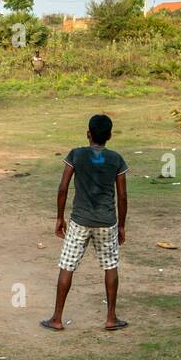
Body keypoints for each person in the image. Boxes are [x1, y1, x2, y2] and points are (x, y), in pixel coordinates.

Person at [42, 114, 129, 331]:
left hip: (79, 221)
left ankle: (57, 318)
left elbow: (63, 188)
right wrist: (121, 225)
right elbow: (123, 196)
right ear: (109, 136)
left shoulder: (76, 155)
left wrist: (59, 217)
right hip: (106, 222)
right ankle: (110, 318)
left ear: (88, 134)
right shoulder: (116, 159)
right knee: (110, 266)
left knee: (67, 266)